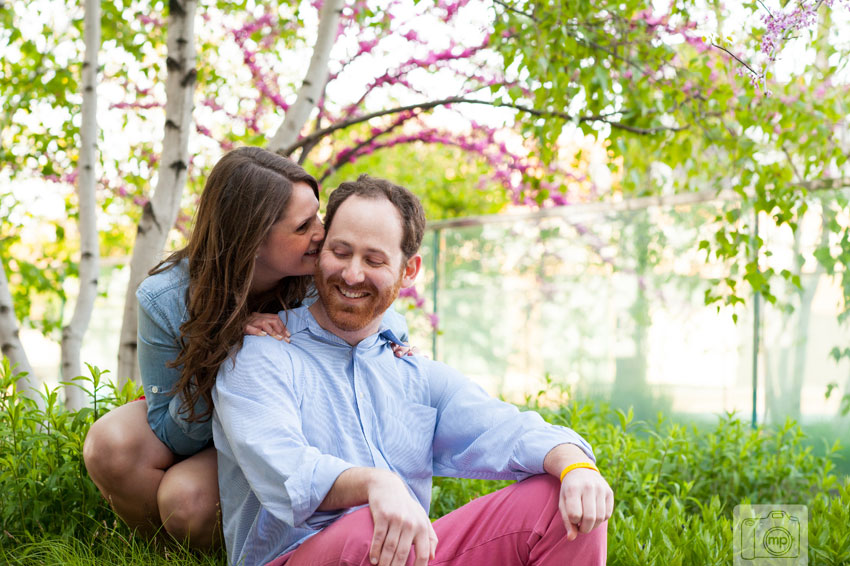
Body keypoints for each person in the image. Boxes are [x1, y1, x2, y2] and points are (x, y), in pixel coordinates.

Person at [213, 175, 614, 566]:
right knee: (372, 524)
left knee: (559, 497)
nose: (352, 274)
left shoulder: (413, 371)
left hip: (404, 552)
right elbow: (286, 471)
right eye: (340, 252)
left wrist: (575, 463)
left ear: (408, 271)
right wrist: (376, 484)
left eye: (374, 260)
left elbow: (506, 428)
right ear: (319, 251)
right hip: (303, 555)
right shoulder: (263, 353)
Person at [82, 148, 409, 548]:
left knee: (186, 498)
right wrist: (223, 346)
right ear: (252, 240)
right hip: (205, 429)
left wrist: (395, 345)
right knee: (110, 441)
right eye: (304, 225)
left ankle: (257, 544)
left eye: (318, 216)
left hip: (285, 428)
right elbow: (172, 436)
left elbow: (379, 305)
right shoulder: (165, 298)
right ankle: (168, 550)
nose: (322, 233)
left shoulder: (314, 277)